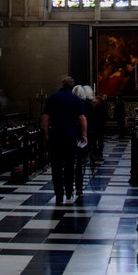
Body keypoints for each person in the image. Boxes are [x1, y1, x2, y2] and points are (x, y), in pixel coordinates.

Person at [41, 75, 87, 206]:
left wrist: (46, 132)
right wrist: (84, 134)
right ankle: (68, 191)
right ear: (72, 86)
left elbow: (45, 117)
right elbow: (82, 118)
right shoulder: (75, 99)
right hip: (71, 136)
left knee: (56, 166)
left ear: (62, 84)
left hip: (56, 135)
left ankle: (59, 194)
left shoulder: (53, 97)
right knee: (69, 165)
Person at [72, 84, 94, 197]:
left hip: (71, 135)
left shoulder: (71, 104)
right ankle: (79, 188)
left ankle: (69, 187)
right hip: (82, 136)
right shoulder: (88, 105)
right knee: (80, 162)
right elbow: (87, 120)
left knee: (70, 162)